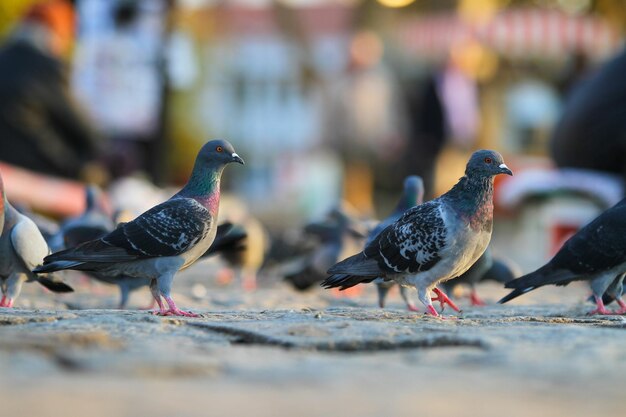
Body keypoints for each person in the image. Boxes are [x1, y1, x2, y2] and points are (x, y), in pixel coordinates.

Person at [0, 0, 104, 181]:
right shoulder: (44, 67)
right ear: (58, 33)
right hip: (38, 173)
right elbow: (84, 132)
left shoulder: (4, 57)